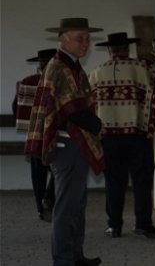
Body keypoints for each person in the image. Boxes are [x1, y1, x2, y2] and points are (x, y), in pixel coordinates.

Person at [25, 17, 104, 266]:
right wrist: (97, 124)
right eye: (79, 38)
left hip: (75, 142)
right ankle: (63, 259)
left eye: (88, 38)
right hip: (67, 144)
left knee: (77, 203)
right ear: (63, 40)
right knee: (67, 205)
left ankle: (75, 255)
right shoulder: (60, 67)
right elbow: (71, 109)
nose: (85, 43)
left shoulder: (71, 66)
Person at [88, 32, 155, 239]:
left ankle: (114, 226)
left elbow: (87, 103)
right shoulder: (142, 66)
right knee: (142, 181)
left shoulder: (96, 73)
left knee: (114, 182)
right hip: (137, 135)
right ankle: (143, 224)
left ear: (109, 50)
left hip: (108, 137)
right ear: (128, 48)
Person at [13, 48, 58, 222]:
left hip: (35, 137)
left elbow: (16, 109)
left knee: (38, 174)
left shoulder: (27, 82)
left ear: (39, 64)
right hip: (56, 136)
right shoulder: (61, 82)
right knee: (58, 171)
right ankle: (50, 198)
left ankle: (41, 208)